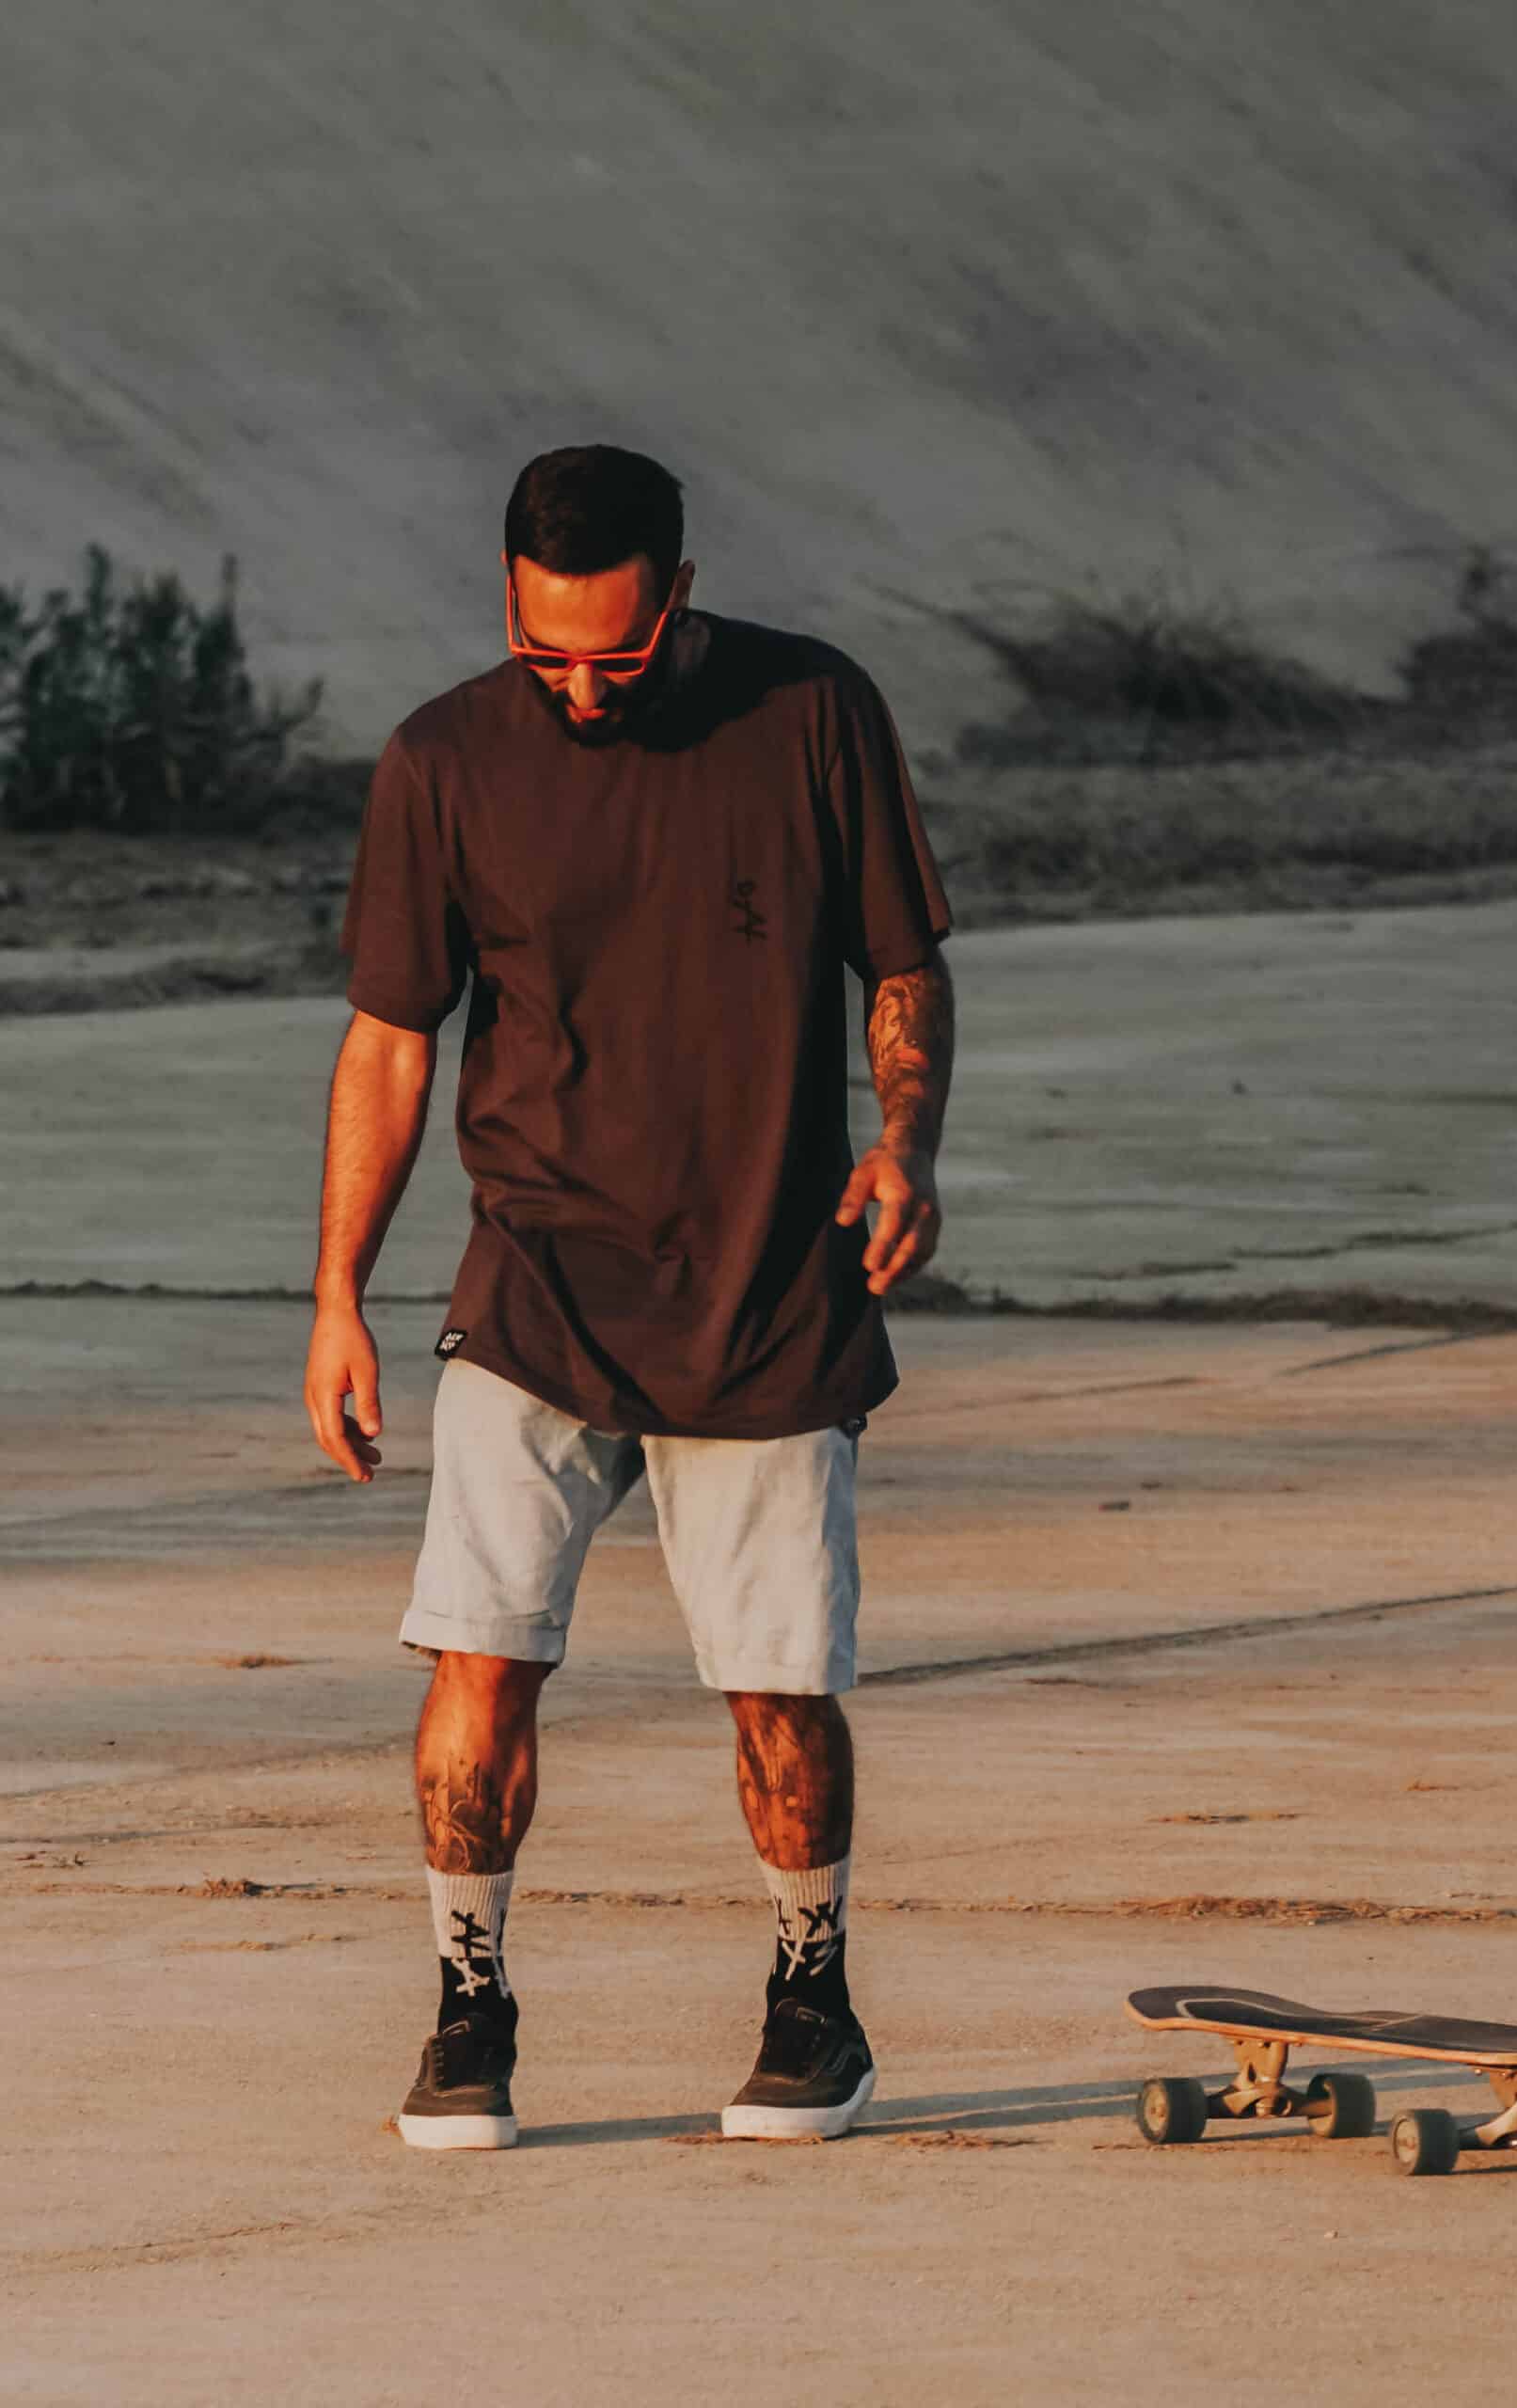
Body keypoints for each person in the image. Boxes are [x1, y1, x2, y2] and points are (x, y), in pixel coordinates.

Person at [303, 444, 955, 2149]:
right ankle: (467, 2007)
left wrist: (903, 1143)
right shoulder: (444, 758)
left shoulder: (811, 711)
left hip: (767, 1283)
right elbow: (390, 1040)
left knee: (778, 1682)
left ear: (680, 594)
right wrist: (336, 1296)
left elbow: (900, 963)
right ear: (505, 602)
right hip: (535, 1283)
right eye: (546, 654)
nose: (582, 688)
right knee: (478, 1656)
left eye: (617, 652)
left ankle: (811, 1996)